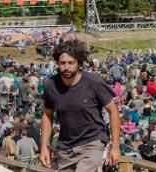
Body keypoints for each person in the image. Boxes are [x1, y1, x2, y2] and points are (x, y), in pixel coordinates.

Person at [40, 39, 122, 172]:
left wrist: (115, 147)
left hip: (92, 142)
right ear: (57, 63)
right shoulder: (50, 84)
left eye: (71, 63)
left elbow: (113, 110)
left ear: (79, 63)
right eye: (62, 63)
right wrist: (44, 147)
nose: (66, 67)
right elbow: (47, 115)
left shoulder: (93, 82)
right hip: (65, 147)